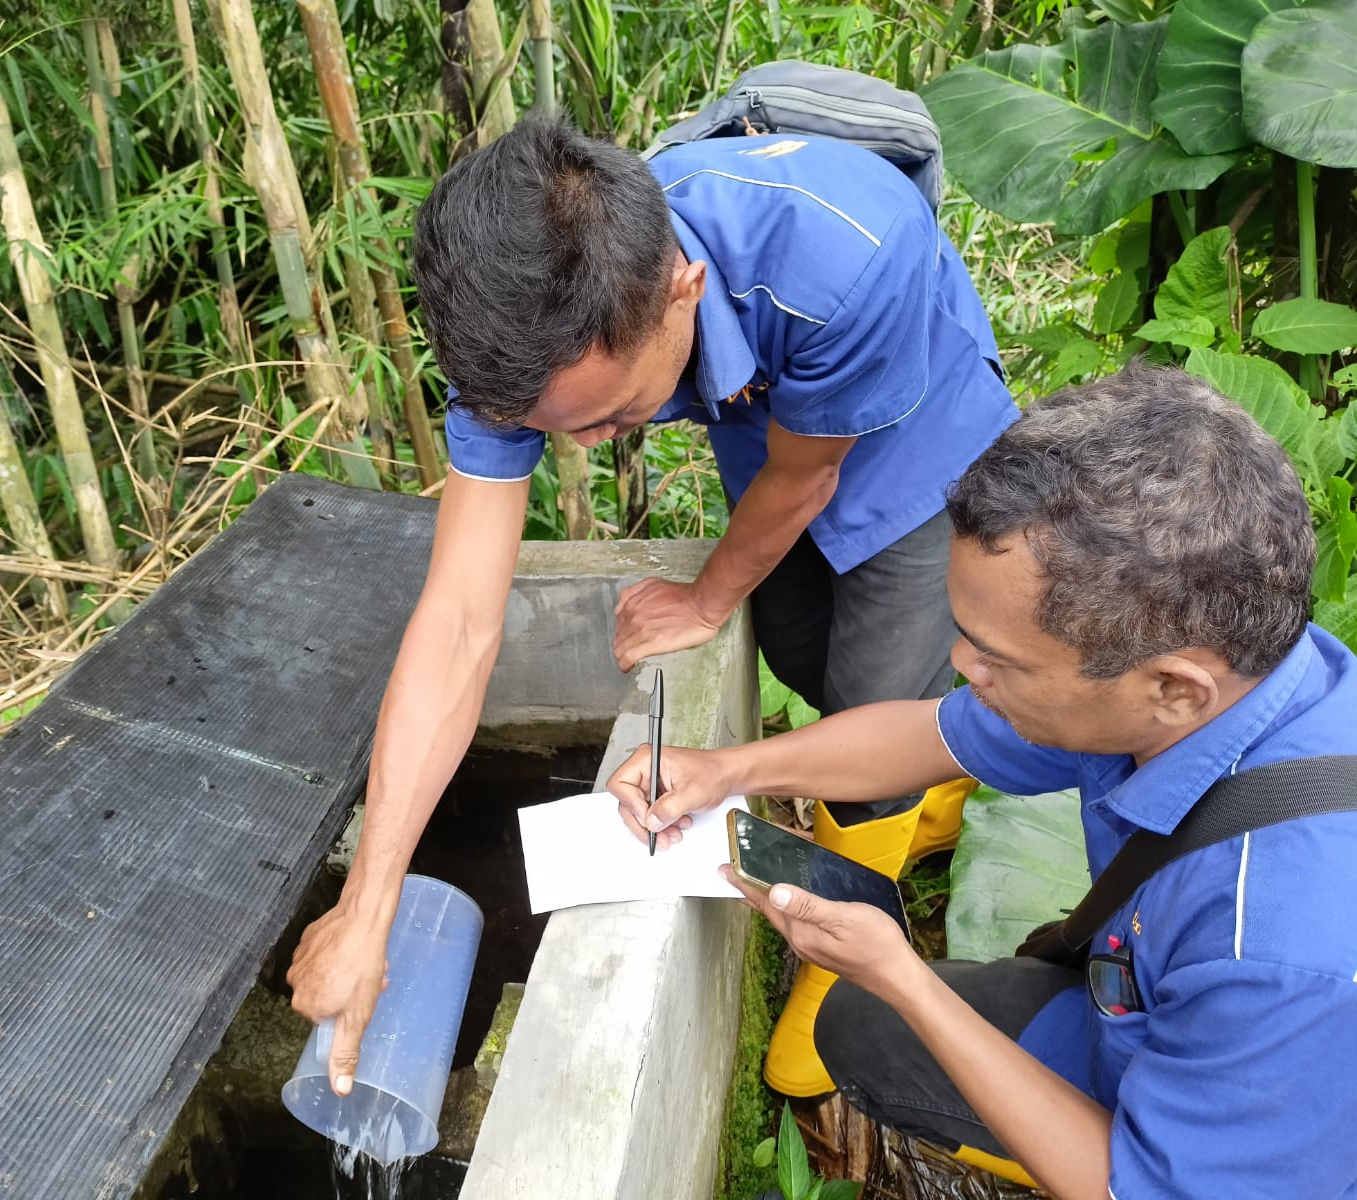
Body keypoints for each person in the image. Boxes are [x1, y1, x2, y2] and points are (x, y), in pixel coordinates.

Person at [286, 114, 1017, 1098]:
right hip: (777, 420)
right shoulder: (521, 342)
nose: (582, 446)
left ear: (683, 288)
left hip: (916, 428)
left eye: (614, 417)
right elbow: (459, 620)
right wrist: (367, 903)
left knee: (880, 675)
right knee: (801, 648)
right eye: (553, 429)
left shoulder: (838, 252)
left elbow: (806, 483)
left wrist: (707, 595)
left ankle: (853, 948)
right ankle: (916, 806)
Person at [610, 365, 1357, 1197]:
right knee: (862, 1025)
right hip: (1137, 1006)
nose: (962, 669)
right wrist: (725, 769)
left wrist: (899, 973)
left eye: (996, 659)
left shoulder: (1293, 952)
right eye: (963, 635)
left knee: (894, 1006)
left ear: (1176, 688)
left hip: (1238, 1135)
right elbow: (932, 734)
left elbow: (1138, 1187)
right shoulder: (1209, 686)